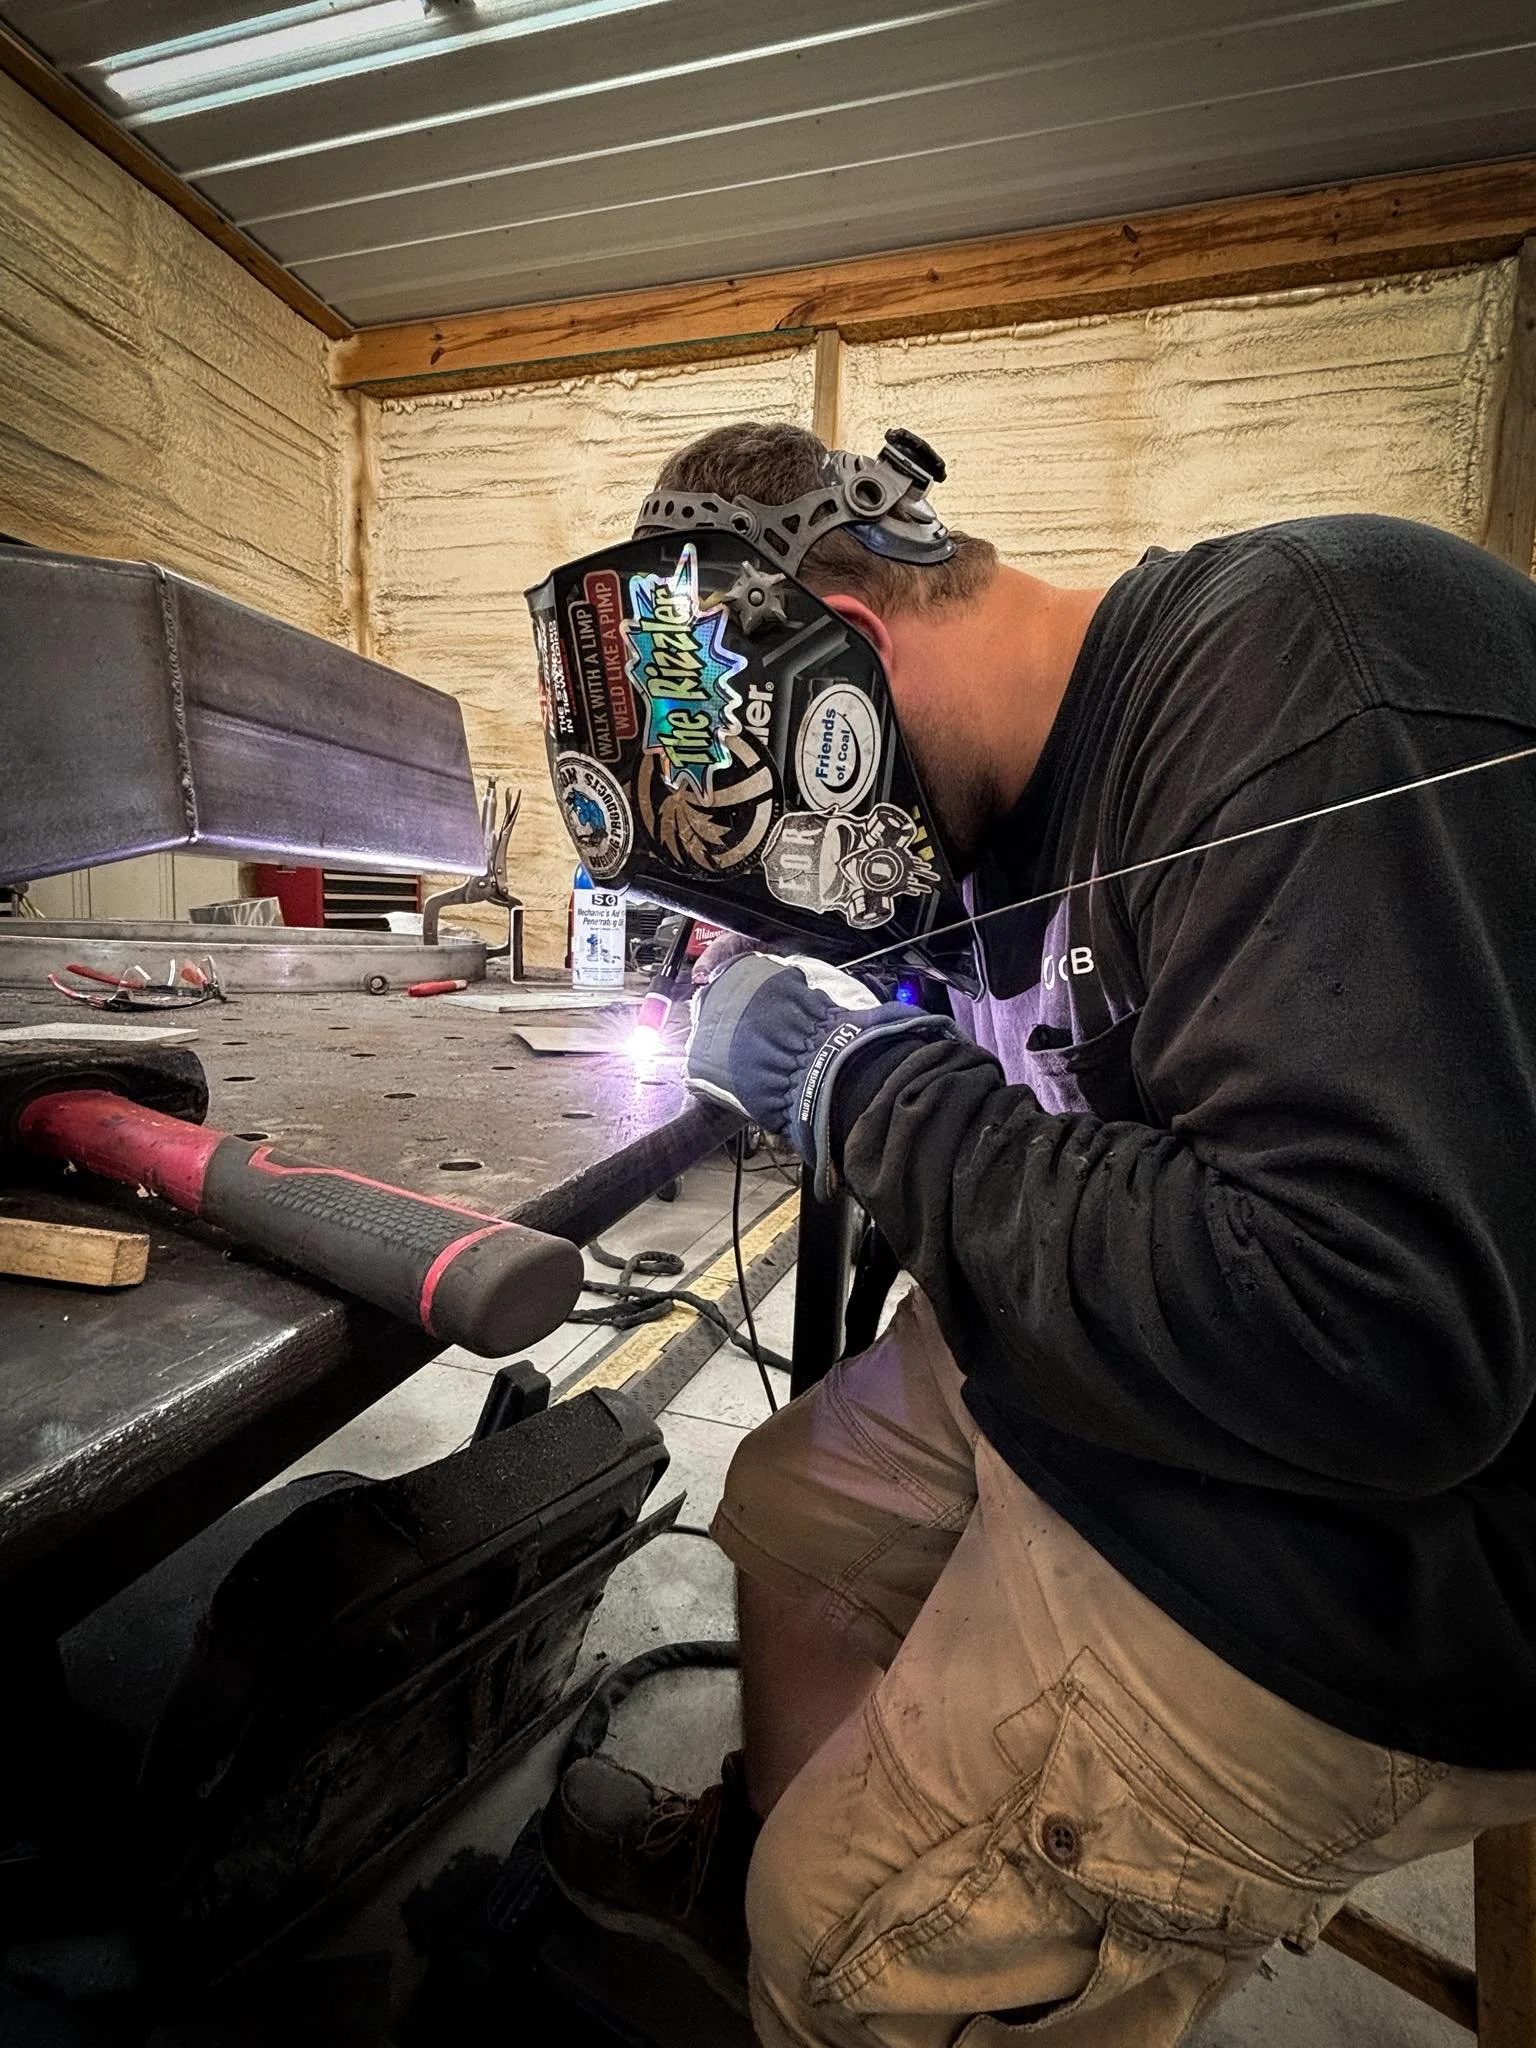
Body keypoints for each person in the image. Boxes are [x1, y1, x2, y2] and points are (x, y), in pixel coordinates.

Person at [541, 421, 1536, 2047]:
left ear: (846, 662)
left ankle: (830, 1956)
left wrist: (858, 1082)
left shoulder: (1305, 666)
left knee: (842, 1947)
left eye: (778, 819)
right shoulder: (995, 823)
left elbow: (1385, 1340)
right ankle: (799, 1847)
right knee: (791, 1502)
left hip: (1422, 1539)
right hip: (1206, 1389)